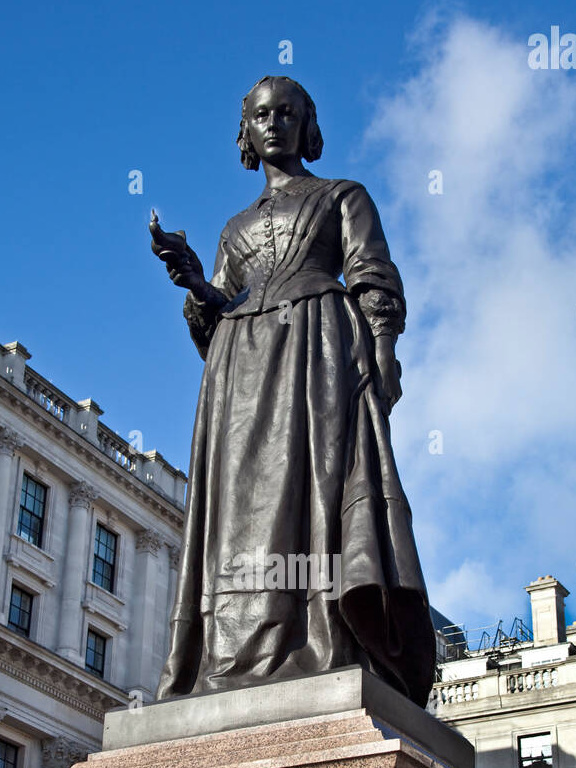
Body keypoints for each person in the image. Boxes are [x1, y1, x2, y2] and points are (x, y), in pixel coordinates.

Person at [150, 75, 435, 706]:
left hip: (318, 349)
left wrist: (384, 350)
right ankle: (236, 646)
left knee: (316, 486)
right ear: (245, 133)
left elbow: (371, 274)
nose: (273, 123)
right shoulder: (234, 227)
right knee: (240, 509)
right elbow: (220, 314)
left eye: (287, 113)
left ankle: (322, 630)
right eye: (260, 115)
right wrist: (197, 281)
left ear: (308, 126)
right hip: (241, 367)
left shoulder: (342, 196)